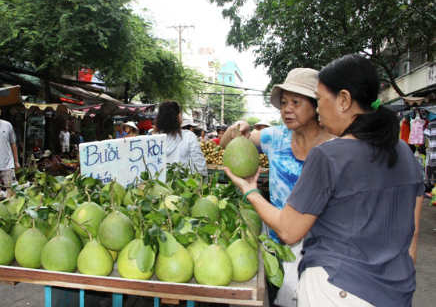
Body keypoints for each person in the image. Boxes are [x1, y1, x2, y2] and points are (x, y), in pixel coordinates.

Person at [224, 55, 424, 307]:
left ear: (343, 100)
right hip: (396, 293)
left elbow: (288, 230)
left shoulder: (329, 155)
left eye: (319, 100)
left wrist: (250, 191)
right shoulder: (405, 152)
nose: (318, 110)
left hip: (335, 292)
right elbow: (413, 232)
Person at [221, 68, 334, 307]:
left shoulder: (336, 146)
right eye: (283, 102)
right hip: (276, 242)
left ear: (316, 105)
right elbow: (228, 144)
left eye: (296, 101)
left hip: (323, 250)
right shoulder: (274, 137)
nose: (287, 109)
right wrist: (236, 128)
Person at [154, 100, 207, 176]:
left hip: (159, 185)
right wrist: (204, 180)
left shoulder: (153, 139)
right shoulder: (189, 137)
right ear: (179, 116)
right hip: (183, 185)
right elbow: (199, 163)